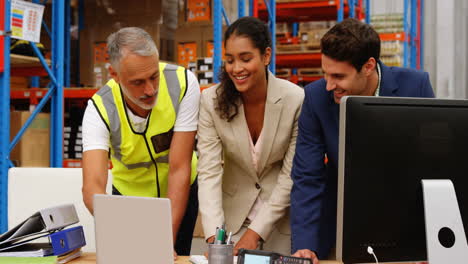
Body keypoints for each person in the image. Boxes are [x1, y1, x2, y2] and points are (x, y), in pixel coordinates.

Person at [290, 18, 435, 263]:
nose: (328, 85)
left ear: (368, 66)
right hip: (344, 227)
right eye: (325, 74)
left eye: (338, 76)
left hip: (406, 227)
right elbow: (307, 177)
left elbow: (434, 168)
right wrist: (305, 245)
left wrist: (433, 240)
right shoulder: (315, 98)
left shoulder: (416, 87)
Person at [81, 27, 200, 257]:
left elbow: (179, 169)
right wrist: (127, 234)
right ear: (113, 74)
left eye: (154, 76)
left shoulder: (183, 83)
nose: (150, 89)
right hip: (129, 203)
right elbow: (92, 187)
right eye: (137, 82)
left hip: (179, 194)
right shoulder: (98, 109)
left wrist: (165, 241)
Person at [197, 16, 304, 256]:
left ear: (266, 56)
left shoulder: (295, 99)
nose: (237, 69)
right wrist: (217, 237)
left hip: (279, 223)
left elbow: (290, 176)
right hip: (229, 224)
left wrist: (255, 233)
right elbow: (209, 171)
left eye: (246, 59)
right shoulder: (211, 101)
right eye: (230, 60)